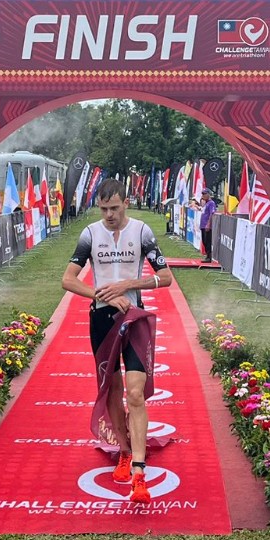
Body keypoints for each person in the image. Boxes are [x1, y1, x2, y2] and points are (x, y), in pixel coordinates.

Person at [61, 178, 173, 504]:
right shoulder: (89, 234)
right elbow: (68, 280)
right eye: (104, 208)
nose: (109, 214)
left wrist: (128, 284)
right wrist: (104, 295)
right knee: (113, 390)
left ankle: (139, 471)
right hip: (101, 320)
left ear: (126, 202)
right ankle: (124, 450)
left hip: (134, 318)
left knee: (136, 393)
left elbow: (165, 278)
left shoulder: (142, 231)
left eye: (114, 207)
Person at [198, 189, 217, 263]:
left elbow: (211, 213)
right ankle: (207, 255)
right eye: (202, 194)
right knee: (204, 241)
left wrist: (208, 224)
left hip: (207, 225)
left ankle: (209, 256)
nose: (203, 196)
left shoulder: (211, 203)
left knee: (207, 241)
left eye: (204, 194)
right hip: (203, 225)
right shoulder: (206, 203)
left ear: (208, 194)